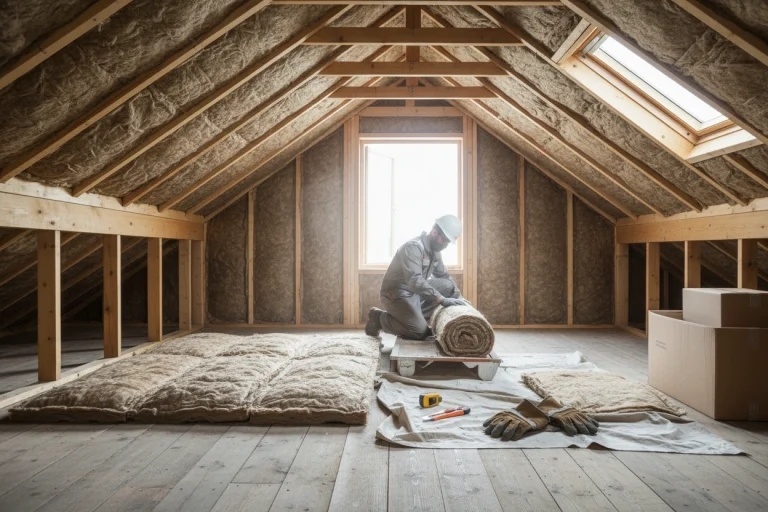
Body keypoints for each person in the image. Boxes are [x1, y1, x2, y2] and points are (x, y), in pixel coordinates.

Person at [365, 214, 469, 340]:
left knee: (448, 285)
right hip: (396, 294)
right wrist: (441, 299)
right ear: (435, 232)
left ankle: (415, 318)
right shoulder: (413, 247)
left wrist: (459, 297)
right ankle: (379, 318)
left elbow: (444, 276)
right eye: (444, 240)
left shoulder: (435, 251)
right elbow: (414, 281)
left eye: (448, 242)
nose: (445, 245)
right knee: (420, 332)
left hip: (415, 293)